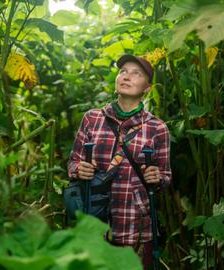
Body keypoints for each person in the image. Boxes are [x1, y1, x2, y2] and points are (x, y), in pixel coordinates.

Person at [68, 54, 171, 269]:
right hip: (95, 217)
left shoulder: (157, 128)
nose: (127, 76)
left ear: (147, 88)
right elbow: (73, 163)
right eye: (123, 71)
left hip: (135, 223)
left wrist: (157, 176)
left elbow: (165, 177)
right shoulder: (92, 118)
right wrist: (79, 169)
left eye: (136, 73)